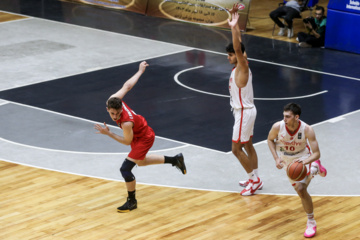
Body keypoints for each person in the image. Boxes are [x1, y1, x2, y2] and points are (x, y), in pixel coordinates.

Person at [94, 61, 187, 213]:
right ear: (108, 108)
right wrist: (140, 71)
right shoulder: (114, 99)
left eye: (117, 113)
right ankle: (175, 159)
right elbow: (127, 86)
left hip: (144, 137)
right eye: (112, 113)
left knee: (125, 169)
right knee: (141, 162)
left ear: (120, 109)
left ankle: (132, 201)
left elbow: (126, 141)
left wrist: (108, 133)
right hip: (139, 133)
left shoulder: (126, 123)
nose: (115, 116)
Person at [267, 103, 327, 238]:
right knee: (299, 191)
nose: (284, 119)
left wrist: (305, 161)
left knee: (301, 189)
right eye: (284, 116)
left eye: (288, 117)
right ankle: (316, 169)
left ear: (296, 117)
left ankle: (311, 222)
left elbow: (317, 153)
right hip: (287, 161)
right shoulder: (278, 127)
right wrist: (276, 158)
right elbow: (270, 140)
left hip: (303, 157)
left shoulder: (307, 129)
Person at [226, 6, 263, 196]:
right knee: (248, 145)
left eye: (230, 54)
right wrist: (235, 25)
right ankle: (254, 176)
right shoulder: (242, 63)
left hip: (244, 112)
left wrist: (235, 29)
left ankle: (254, 181)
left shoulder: (242, 66)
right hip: (246, 111)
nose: (228, 57)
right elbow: (239, 45)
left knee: (236, 149)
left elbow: (238, 47)